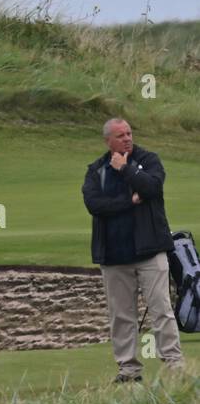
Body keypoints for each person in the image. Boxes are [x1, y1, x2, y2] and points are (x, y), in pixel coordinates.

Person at [81, 117, 184, 382]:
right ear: (108, 141)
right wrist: (129, 201)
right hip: (114, 256)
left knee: (161, 309)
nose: (127, 138)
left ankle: (174, 365)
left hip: (150, 250)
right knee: (121, 315)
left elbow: (151, 187)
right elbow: (95, 204)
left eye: (129, 133)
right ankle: (128, 369)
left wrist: (127, 169)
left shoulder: (148, 160)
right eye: (120, 135)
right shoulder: (97, 170)